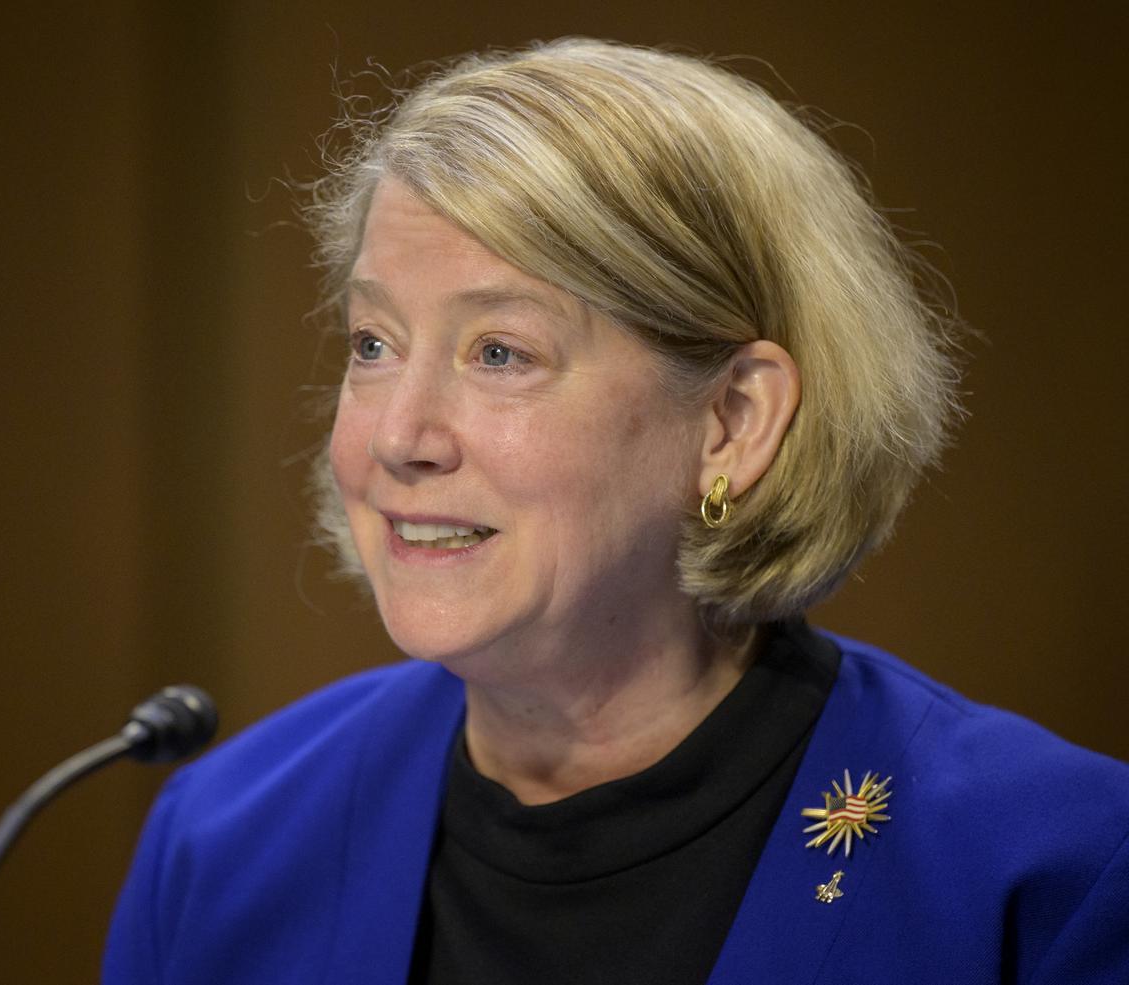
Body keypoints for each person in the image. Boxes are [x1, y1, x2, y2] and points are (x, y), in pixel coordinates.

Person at [103, 39, 1129, 985]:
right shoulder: (222, 838)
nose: (396, 436)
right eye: (372, 344)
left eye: (499, 352)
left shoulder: (1050, 871)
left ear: (731, 421)